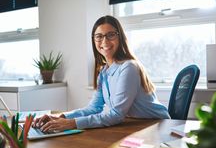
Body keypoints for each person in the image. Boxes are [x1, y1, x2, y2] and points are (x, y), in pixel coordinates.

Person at [32, 15, 170, 132]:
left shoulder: (129, 67)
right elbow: (94, 108)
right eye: (99, 36)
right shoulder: (104, 72)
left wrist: (72, 123)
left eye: (110, 35)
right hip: (135, 125)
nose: (104, 41)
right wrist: (62, 117)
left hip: (158, 126)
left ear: (120, 37)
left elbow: (116, 114)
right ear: (94, 40)